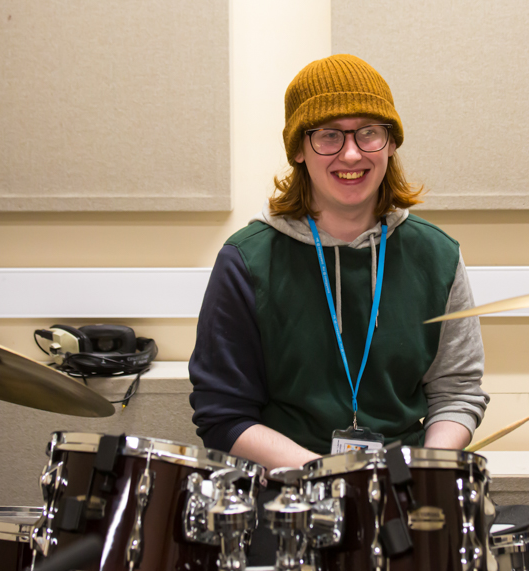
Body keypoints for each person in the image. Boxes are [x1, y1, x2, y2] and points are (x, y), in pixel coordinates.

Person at [189, 54, 488, 472]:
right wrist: (330, 478)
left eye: (368, 133)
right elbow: (222, 414)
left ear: (392, 143)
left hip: (402, 491)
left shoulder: (437, 255)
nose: (351, 155)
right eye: (328, 136)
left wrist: (425, 469)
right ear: (297, 149)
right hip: (286, 497)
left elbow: (456, 391)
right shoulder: (245, 260)